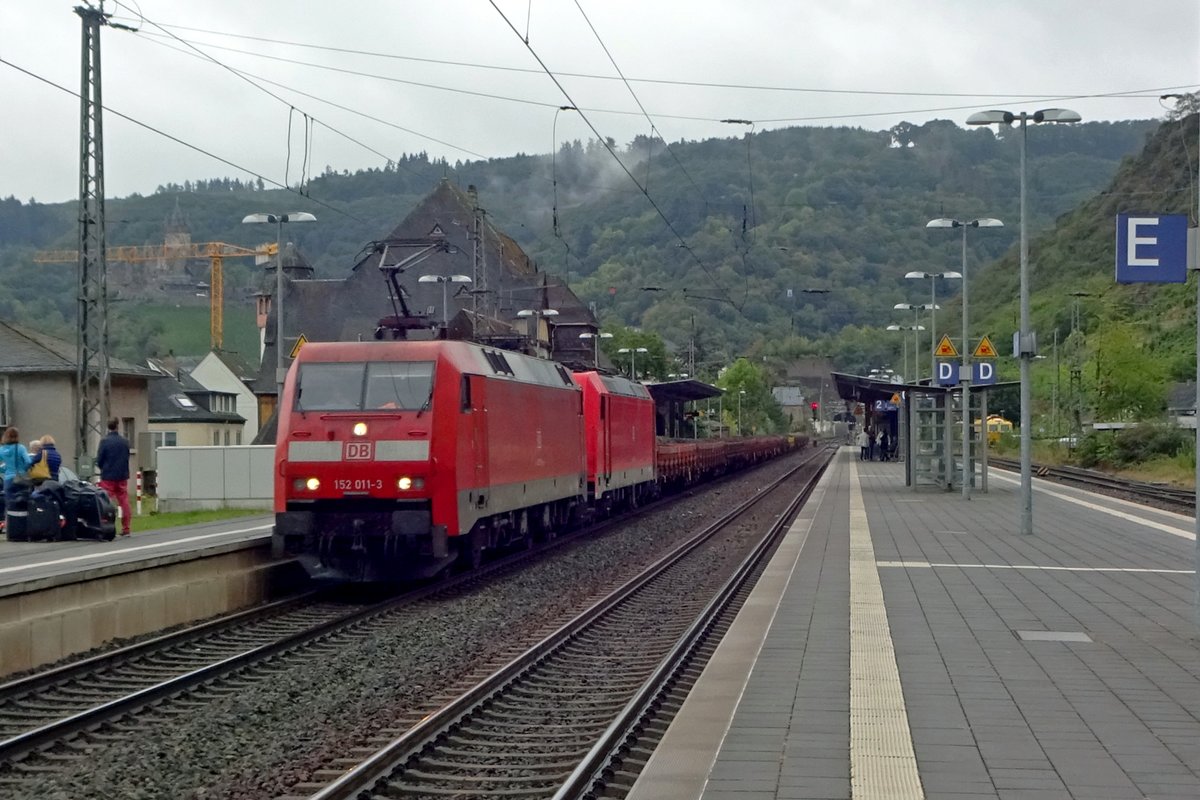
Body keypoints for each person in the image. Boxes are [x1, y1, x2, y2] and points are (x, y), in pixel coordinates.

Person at [96, 417, 132, 537]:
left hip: (108, 476)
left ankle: (108, 526)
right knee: (124, 501)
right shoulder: (124, 441)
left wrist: (103, 468)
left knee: (107, 501)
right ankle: (126, 527)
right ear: (118, 426)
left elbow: (100, 459)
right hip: (122, 475)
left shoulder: (104, 441)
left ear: (108, 427)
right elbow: (127, 456)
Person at [0, 427, 31, 507]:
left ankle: (11, 519)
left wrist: (5, 470)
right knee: (24, 504)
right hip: (21, 479)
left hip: (8, 480)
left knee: (10, 504)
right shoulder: (21, 448)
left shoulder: (1, 449)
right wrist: (23, 470)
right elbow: (28, 461)